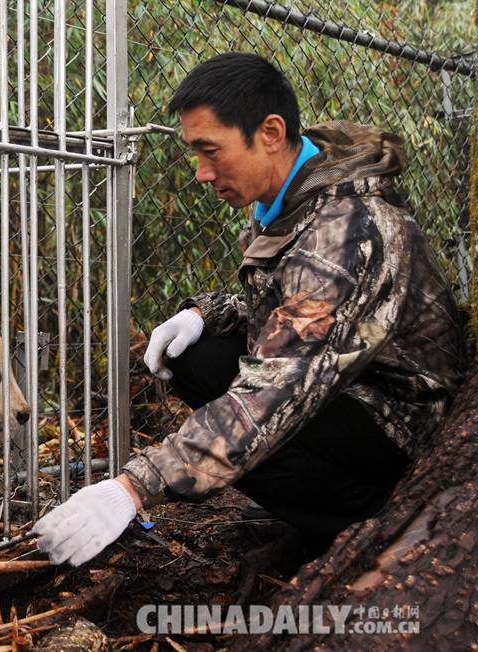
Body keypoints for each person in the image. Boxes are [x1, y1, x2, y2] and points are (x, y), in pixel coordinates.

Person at [32, 52, 465, 568]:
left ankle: (361, 522)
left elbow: (274, 391)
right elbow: (292, 307)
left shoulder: (347, 231)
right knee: (199, 357)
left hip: (402, 426)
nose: (201, 173)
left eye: (210, 151)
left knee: (252, 418)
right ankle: (315, 511)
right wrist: (204, 314)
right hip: (351, 388)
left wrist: (133, 487)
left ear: (271, 133)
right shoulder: (295, 198)